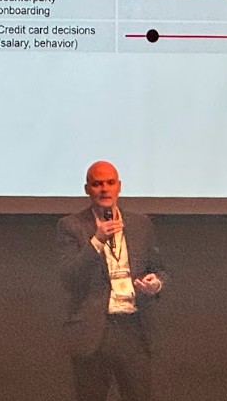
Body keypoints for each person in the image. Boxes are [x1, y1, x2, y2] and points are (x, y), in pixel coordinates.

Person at [57, 160, 168, 401]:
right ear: (87, 189)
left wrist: (155, 283)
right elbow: (69, 278)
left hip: (133, 328)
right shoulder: (71, 226)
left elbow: (158, 268)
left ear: (119, 186)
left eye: (110, 183)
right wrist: (97, 241)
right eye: (97, 184)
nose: (104, 189)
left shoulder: (140, 224)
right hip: (94, 331)